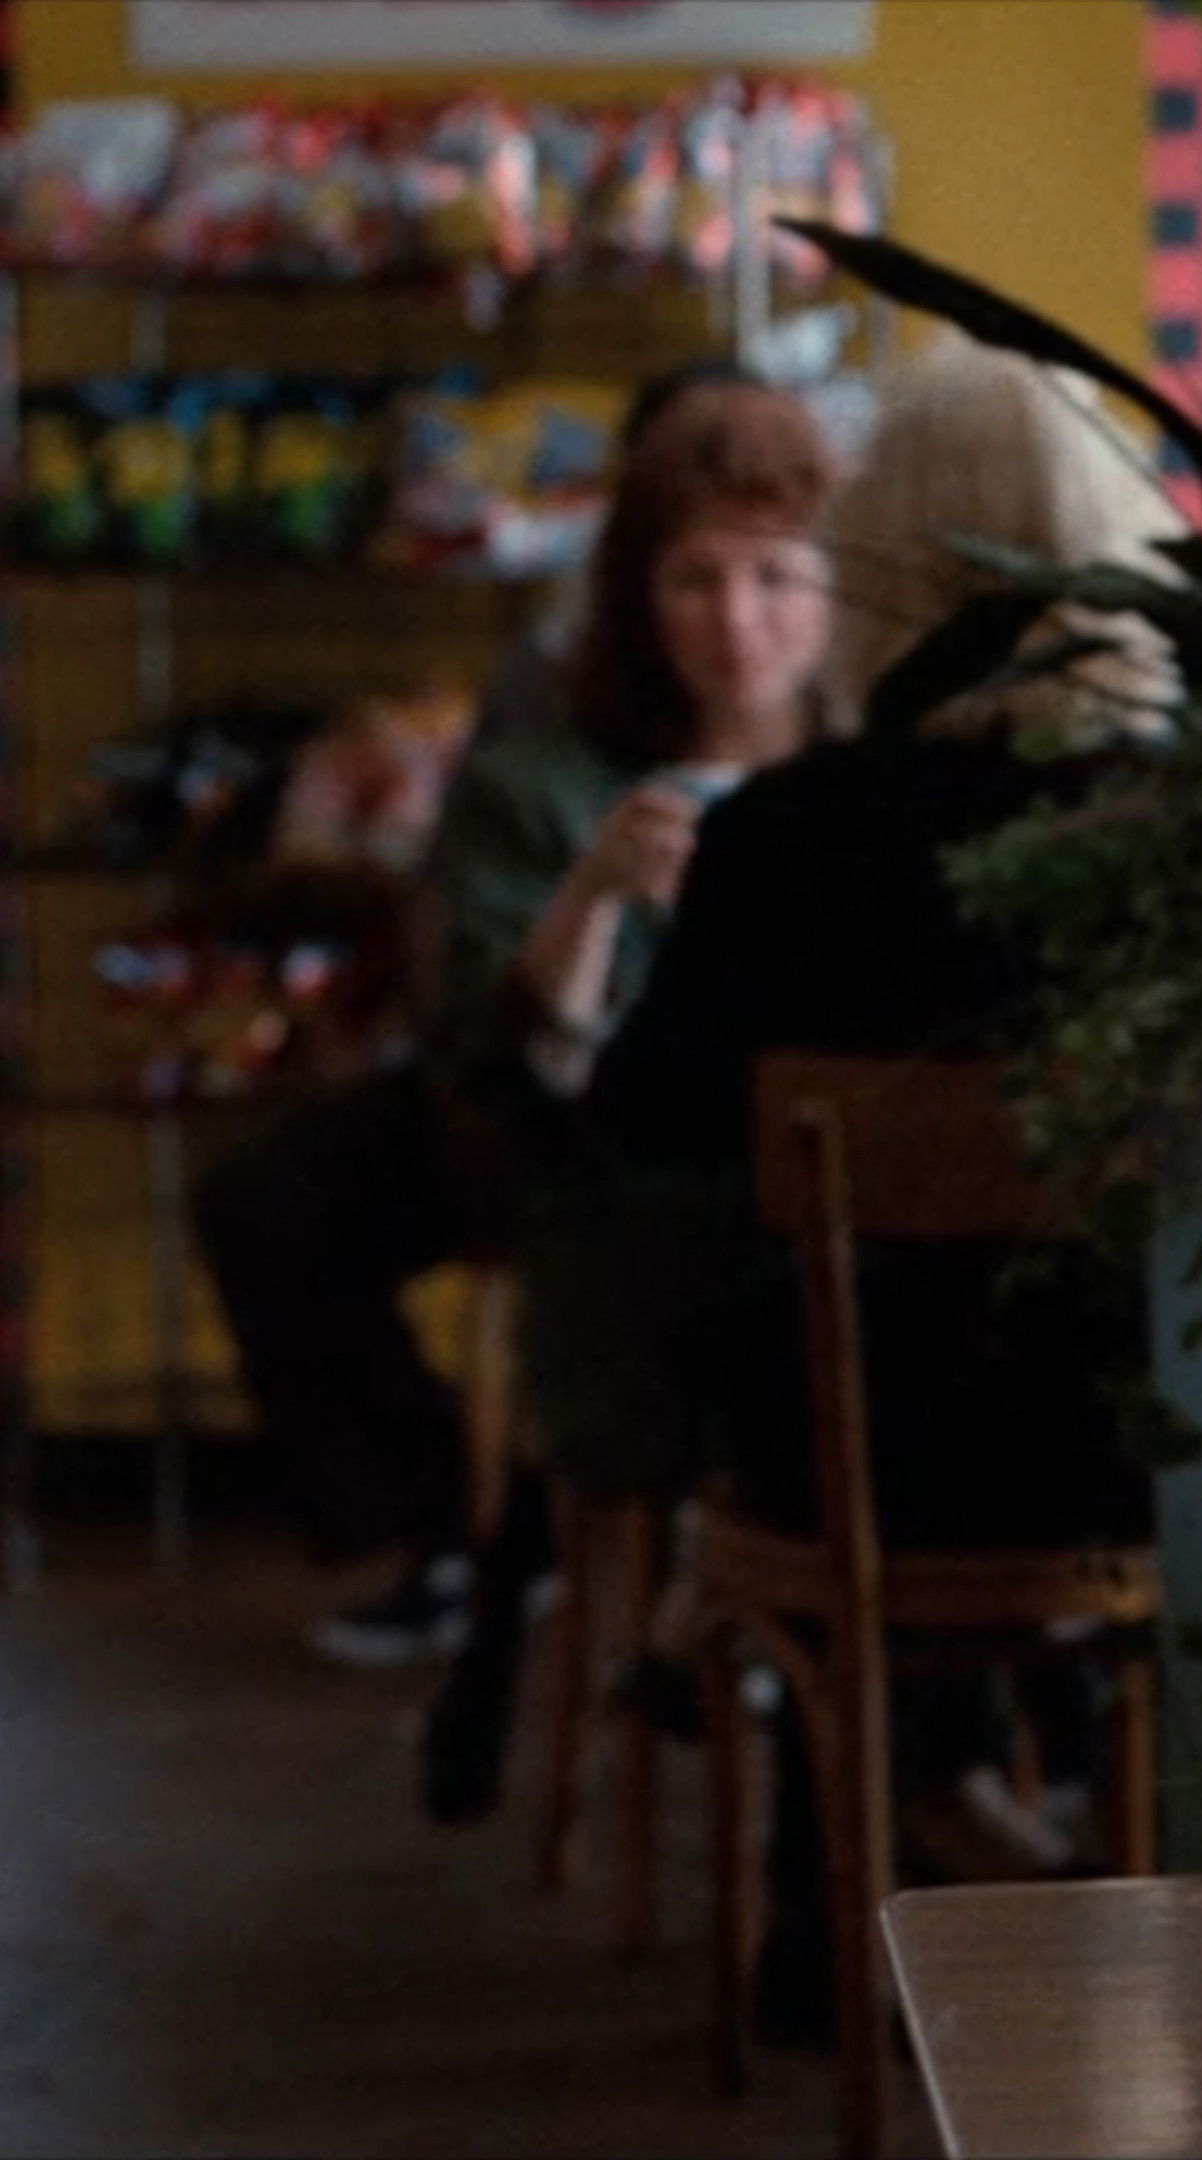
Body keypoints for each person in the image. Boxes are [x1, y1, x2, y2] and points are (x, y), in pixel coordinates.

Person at [584, 337, 1179, 2035]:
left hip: (845, 1457)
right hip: (1132, 1442)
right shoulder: (1180, 831)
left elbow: (643, 1120)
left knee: (809, 1339)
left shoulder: (784, 831)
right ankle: (1031, 1852)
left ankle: (831, 1911)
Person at [185, 360, 813, 1667]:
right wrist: (587, 900)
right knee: (276, 1195)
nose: (737, 621)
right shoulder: (549, 743)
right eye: (695, 577)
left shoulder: (873, 765)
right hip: (561, 1135)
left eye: (774, 576)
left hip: (794, 1180)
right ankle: (458, 1536)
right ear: (639, 584)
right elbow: (490, 1022)